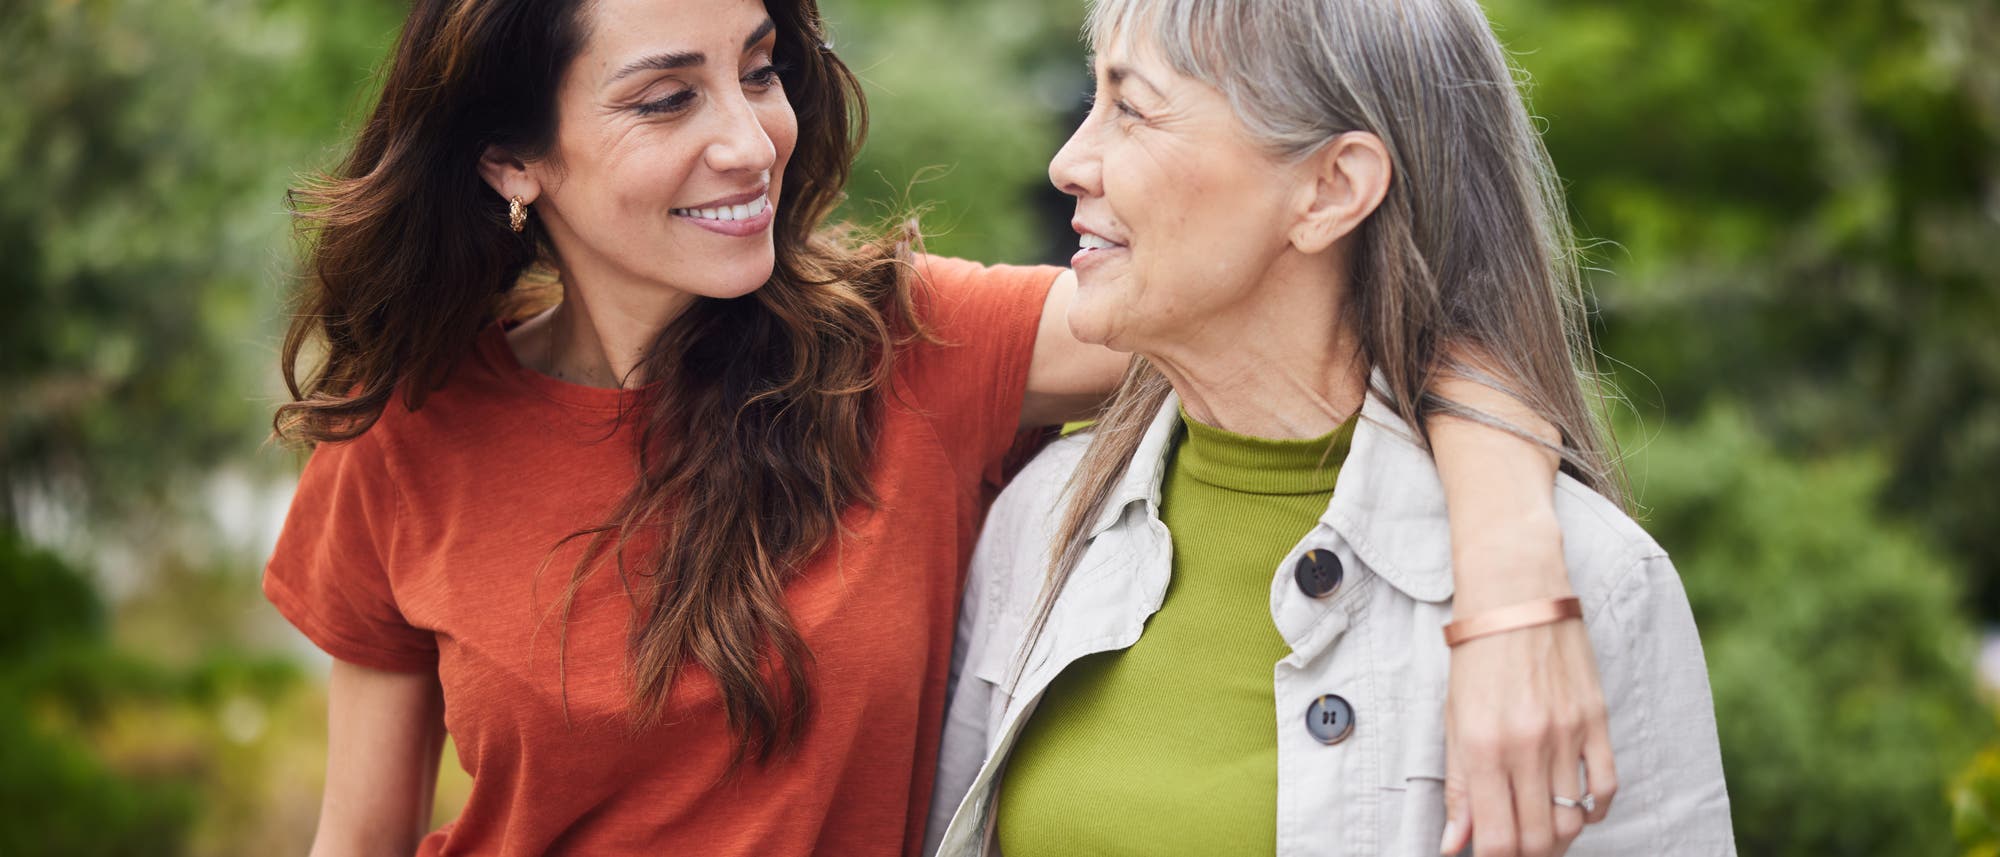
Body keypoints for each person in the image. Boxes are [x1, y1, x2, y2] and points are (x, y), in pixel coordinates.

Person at [264, 0, 1614, 854]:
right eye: (668, 98)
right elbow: (363, 830)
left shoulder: (910, 346)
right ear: (512, 161)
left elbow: (1350, 293)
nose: (751, 140)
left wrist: (1512, 585)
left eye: (761, 68)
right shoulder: (405, 435)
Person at [926, 0, 1734, 855]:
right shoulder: (1043, 521)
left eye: (1131, 108)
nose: (1068, 161)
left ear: (1331, 188)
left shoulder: (1594, 585)